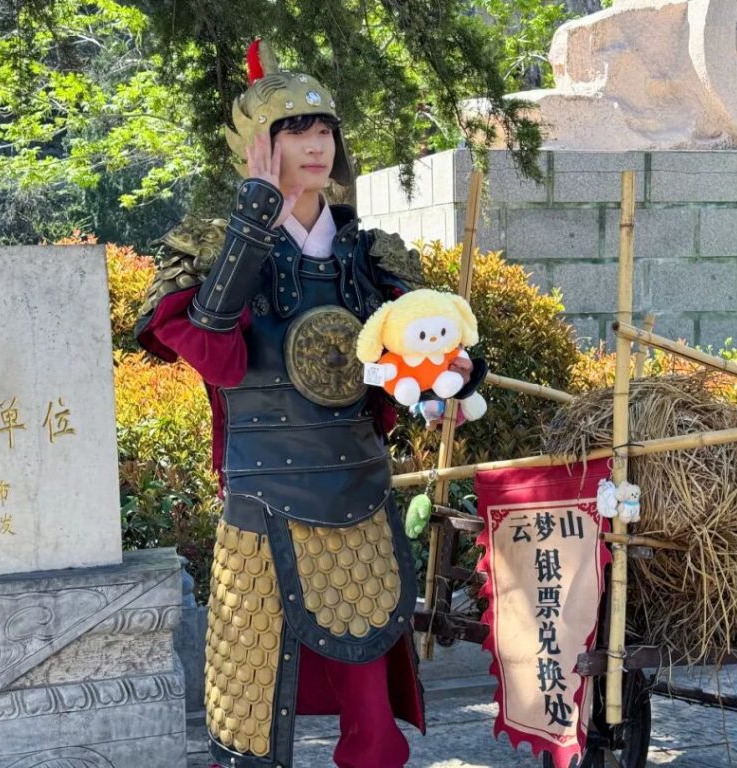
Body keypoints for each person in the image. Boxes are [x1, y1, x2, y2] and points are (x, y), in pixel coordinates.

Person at [135, 39, 481, 768]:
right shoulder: (209, 248)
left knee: (372, 707)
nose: (316, 145)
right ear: (257, 146)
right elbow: (218, 357)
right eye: (294, 131)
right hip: (260, 496)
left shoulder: (370, 252)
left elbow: (422, 348)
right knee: (248, 698)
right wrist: (253, 220)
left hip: (355, 488)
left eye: (324, 130)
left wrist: (453, 375)